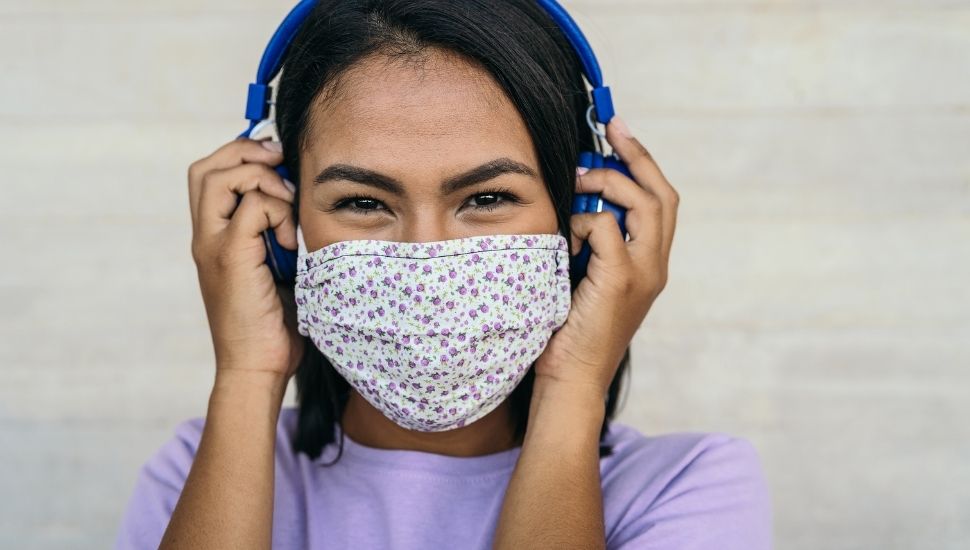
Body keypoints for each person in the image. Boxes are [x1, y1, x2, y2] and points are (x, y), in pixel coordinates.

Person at [114, 1, 772, 548]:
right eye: (364, 203)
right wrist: (247, 373)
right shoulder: (200, 471)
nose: (425, 259)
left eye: (486, 199)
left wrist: (576, 383)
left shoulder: (691, 486)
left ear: (583, 216)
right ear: (282, 230)